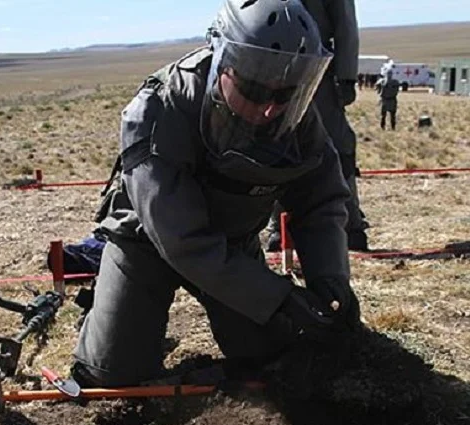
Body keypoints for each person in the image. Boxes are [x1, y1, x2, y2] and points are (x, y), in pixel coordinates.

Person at [71, 0, 361, 388]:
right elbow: (181, 239)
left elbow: (321, 201)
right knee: (112, 375)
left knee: (272, 349)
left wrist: (330, 279)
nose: (268, 110)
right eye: (255, 90)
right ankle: (107, 315)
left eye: (285, 95)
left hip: (232, 247)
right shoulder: (159, 107)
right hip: (147, 243)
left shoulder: (297, 116)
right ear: (223, 61)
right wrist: (276, 295)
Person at [264, 0, 369, 253]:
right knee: (275, 147)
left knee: (336, 148)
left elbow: (344, 23)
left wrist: (346, 77)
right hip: (271, 69)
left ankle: (349, 224)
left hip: (317, 69)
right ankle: (280, 226)